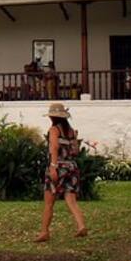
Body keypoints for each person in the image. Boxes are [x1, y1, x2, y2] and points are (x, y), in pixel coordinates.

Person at [36, 103, 87, 242]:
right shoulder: (71, 131)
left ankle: (44, 232)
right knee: (71, 200)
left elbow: (54, 147)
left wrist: (53, 166)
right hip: (71, 167)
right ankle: (81, 225)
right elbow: (75, 151)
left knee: (49, 202)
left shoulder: (54, 130)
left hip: (58, 166)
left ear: (52, 117)